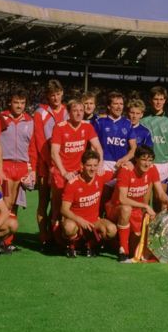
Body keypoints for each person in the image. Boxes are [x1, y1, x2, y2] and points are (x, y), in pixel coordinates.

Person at [50, 97, 103, 246]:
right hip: (62, 172)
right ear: (69, 112)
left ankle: (78, 238)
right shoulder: (60, 127)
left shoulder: (87, 127)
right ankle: (55, 240)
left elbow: (98, 147)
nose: (79, 113)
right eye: (75, 111)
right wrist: (64, 172)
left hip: (79, 172)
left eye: (81, 110)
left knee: (76, 207)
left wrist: (100, 165)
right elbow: (54, 152)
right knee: (57, 208)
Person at [106, 145, 168, 262]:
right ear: (136, 159)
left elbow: (160, 193)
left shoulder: (152, 169)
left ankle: (118, 244)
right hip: (116, 208)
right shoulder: (126, 170)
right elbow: (122, 199)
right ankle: (123, 251)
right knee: (126, 209)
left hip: (137, 211)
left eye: (150, 160)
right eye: (144, 159)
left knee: (139, 249)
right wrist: (145, 206)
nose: (147, 163)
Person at [0, 89, 37, 252]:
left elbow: (33, 149)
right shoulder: (0, 118)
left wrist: (32, 170)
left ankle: (8, 241)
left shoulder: (30, 121)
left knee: (15, 205)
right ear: (10, 103)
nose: (19, 106)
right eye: (16, 102)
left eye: (22, 103)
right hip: (5, 165)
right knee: (3, 205)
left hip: (21, 167)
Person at [61, 150, 117, 258]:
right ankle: (72, 246)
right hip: (76, 222)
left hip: (94, 221)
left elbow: (119, 173)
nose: (92, 169)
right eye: (89, 165)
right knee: (69, 227)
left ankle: (90, 245)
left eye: (95, 165)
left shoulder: (100, 176)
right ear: (82, 165)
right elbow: (64, 209)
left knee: (112, 230)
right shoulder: (72, 183)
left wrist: (127, 164)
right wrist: (80, 220)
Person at [33, 79, 69, 245]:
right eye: (52, 95)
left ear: (62, 93)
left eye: (58, 94)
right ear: (48, 96)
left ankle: (58, 237)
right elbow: (40, 141)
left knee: (60, 203)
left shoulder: (68, 111)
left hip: (64, 166)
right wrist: (49, 164)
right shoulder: (40, 113)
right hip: (45, 165)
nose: (55, 98)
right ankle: (43, 238)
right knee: (43, 201)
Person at [140, 86, 168, 186]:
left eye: (161, 99)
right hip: (145, 163)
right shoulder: (143, 120)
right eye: (156, 99)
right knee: (143, 200)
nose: (158, 102)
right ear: (151, 100)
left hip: (164, 165)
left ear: (164, 100)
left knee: (160, 199)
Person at [93, 91, 136, 174]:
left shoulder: (127, 123)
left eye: (121, 104)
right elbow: (93, 146)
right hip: (103, 163)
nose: (119, 107)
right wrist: (98, 163)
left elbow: (134, 148)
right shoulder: (100, 122)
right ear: (109, 106)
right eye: (116, 104)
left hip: (121, 163)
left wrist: (125, 159)